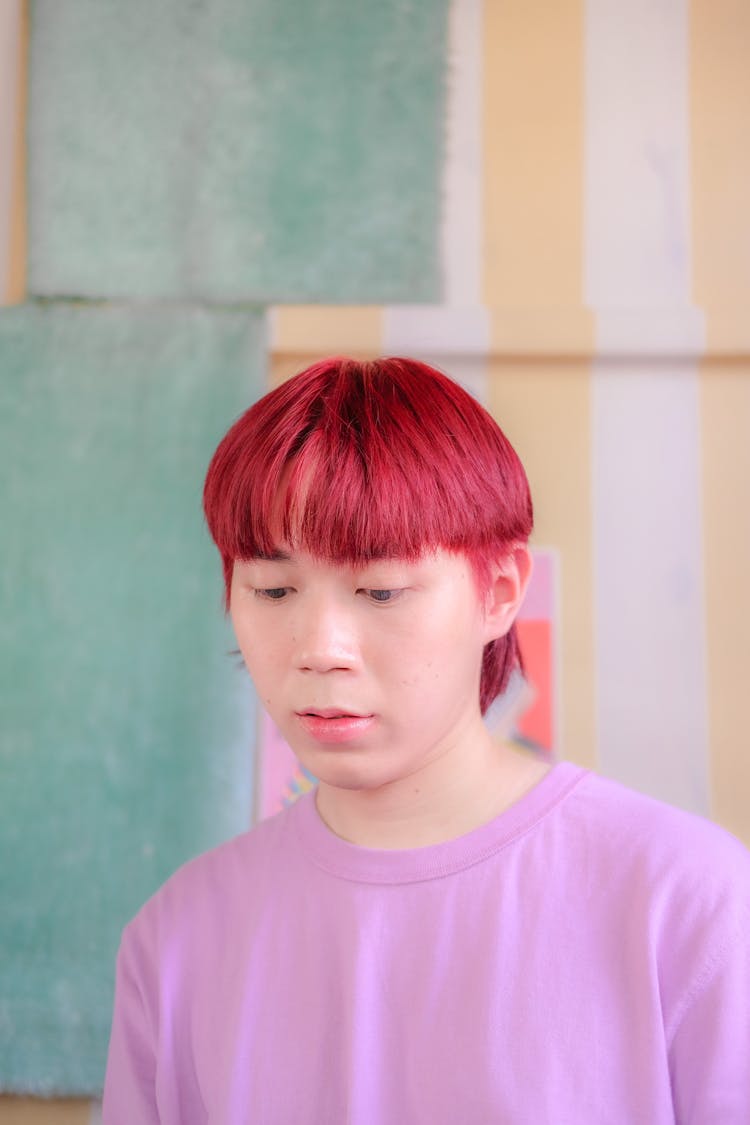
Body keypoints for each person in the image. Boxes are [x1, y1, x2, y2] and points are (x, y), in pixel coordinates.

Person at [102, 356, 750, 1123]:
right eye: (273, 589)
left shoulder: (691, 901)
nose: (321, 646)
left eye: (380, 590)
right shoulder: (177, 939)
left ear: (501, 591)